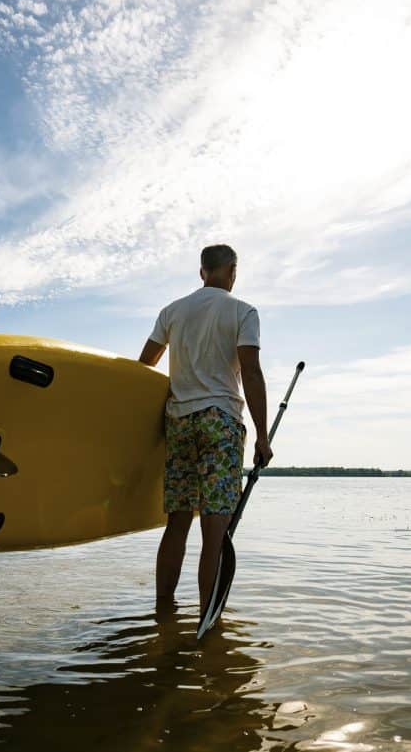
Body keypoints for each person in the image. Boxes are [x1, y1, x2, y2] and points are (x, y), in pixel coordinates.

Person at [138, 244, 273, 615]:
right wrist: (262, 435)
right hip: (221, 422)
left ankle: (163, 610)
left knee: (177, 522)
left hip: (178, 423)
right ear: (232, 270)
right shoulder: (243, 311)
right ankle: (206, 617)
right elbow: (251, 371)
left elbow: (145, 363)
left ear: (202, 272)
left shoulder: (172, 311)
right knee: (215, 528)